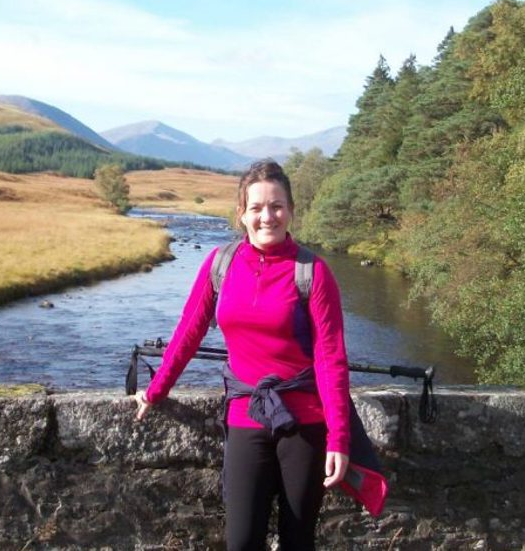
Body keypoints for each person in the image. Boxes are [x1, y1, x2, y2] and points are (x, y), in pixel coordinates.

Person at [132, 159, 381, 550]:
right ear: (241, 214)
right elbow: (188, 333)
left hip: (305, 423)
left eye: (277, 206)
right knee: (242, 540)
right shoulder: (220, 265)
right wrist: (156, 389)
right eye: (257, 207)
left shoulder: (313, 272)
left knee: (298, 541)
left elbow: (331, 359)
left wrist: (339, 439)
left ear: (291, 210)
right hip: (246, 415)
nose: (268, 216)